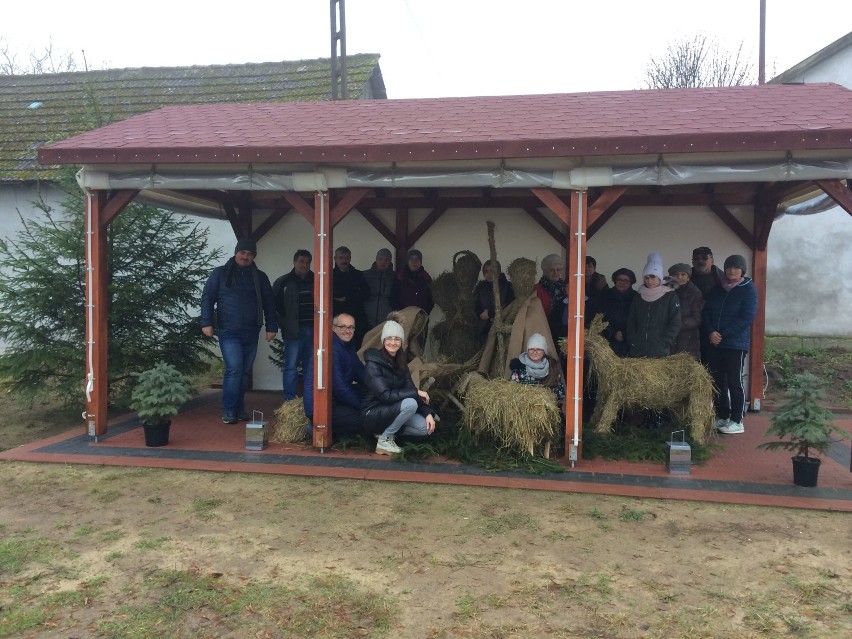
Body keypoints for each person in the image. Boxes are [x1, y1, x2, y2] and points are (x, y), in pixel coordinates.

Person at [200, 238, 278, 424]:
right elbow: (208, 298)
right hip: (228, 331)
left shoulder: (260, 277)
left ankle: (239, 408)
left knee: (243, 372)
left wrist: (272, 327)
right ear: (236, 253)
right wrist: (206, 322)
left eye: (250, 254)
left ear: (254, 257)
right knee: (234, 369)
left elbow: (269, 303)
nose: (246, 256)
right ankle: (228, 410)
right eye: (243, 252)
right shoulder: (219, 274)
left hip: (252, 331)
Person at [361, 320, 437, 455]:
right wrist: (416, 392)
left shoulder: (400, 363)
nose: (393, 342)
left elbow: (410, 390)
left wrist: (427, 413)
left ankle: (384, 432)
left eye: (397, 339)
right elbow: (386, 395)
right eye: (389, 338)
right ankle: (384, 441)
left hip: (391, 410)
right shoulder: (373, 364)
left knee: (424, 428)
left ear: (401, 342)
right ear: (383, 340)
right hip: (372, 413)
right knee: (410, 403)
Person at [703, 254, 758, 435]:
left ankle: (737, 419)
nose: (731, 270)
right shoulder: (717, 289)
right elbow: (707, 312)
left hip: (735, 344)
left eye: (736, 267)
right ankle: (722, 415)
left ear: (742, 270)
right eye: (728, 267)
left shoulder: (748, 289)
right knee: (718, 381)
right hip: (715, 343)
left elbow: (746, 317)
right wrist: (711, 331)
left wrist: (723, 334)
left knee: (734, 381)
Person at [303, 313, 366, 440]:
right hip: (320, 405)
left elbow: (361, 372)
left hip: (334, 400)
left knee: (365, 398)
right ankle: (316, 429)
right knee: (365, 418)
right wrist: (363, 406)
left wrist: (379, 385)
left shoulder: (347, 346)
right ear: (333, 328)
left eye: (351, 327)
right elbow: (339, 387)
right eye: (343, 327)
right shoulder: (331, 348)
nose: (347, 331)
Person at [272, 249, 314, 400]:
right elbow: (274, 307)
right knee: (291, 367)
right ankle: (289, 401)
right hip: (293, 332)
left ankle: (310, 399)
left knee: (311, 367)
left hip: (314, 332)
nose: (305, 265)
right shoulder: (283, 282)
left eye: (308, 262)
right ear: (294, 262)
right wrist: (284, 324)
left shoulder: (317, 280)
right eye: (301, 261)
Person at [626, 252, 681, 358]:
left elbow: (675, 321)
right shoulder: (639, 296)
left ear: (659, 278)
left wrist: (666, 341)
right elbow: (631, 320)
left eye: (653, 277)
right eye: (646, 278)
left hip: (660, 350)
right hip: (638, 350)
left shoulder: (670, 296)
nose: (649, 281)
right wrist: (632, 339)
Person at [691, 246, 724, 365]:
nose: (700, 261)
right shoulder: (685, 277)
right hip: (691, 328)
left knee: (715, 367)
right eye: (696, 258)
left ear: (712, 260)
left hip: (714, 329)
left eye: (705, 258)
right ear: (692, 262)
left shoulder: (723, 279)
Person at [509, 333, 565, 403]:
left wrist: (547, 399)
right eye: (531, 349)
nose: (534, 352)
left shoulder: (552, 368)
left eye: (538, 349)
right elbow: (511, 391)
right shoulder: (519, 369)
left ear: (544, 352)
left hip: (546, 409)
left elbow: (560, 393)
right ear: (527, 350)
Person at [332, 246, 369, 349]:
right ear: (335, 259)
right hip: (337, 321)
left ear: (350, 259)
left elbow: (366, 294)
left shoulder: (358, 275)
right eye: (341, 258)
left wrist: (346, 297)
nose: (344, 260)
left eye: (347, 258)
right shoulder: (329, 276)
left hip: (357, 321)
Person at [473, 259, 514, 346]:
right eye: (486, 271)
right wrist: (480, 313)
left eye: (492, 271)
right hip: (484, 327)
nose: (489, 274)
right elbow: (475, 304)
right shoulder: (481, 288)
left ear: (498, 271)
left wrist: (491, 313)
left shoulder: (507, 286)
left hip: (502, 325)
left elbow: (508, 305)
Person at [667, 263, 703, 360]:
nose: (679, 277)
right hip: (668, 337)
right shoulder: (665, 291)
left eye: (683, 274)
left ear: (688, 277)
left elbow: (697, 318)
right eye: (676, 274)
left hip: (688, 339)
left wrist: (676, 326)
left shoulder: (695, 293)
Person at [601, 268, 637, 357]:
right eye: (619, 280)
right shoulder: (605, 296)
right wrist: (613, 333)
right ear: (614, 281)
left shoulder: (637, 298)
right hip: (608, 341)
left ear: (631, 282)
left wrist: (624, 333)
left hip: (630, 343)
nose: (622, 283)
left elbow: (639, 320)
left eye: (626, 280)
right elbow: (599, 319)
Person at [534, 254, 566, 343]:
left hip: (563, 333)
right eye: (552, 270)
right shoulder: (535, 289)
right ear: (545, 271)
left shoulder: (566, 288)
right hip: (542, 331)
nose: (555, 273)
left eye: (558, 269)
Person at [363, 248, 397, 331]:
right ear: (376, 259)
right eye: (380, 259)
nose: (383, 262)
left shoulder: (395, 277)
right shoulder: (365, 275)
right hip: (366, 320)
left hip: (387, 321)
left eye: (386, 260)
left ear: (390, 261)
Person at [394, 249, 434, 314]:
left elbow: (431, 299)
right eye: (411, 259)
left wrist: (425, 312)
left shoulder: (426, 278)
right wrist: (400, 313)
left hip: (421, 317)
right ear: (408, 261)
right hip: (403, 317)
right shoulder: (400, 277)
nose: (414, 262)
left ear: (420, 262)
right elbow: (394, 297)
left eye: (417, 259)